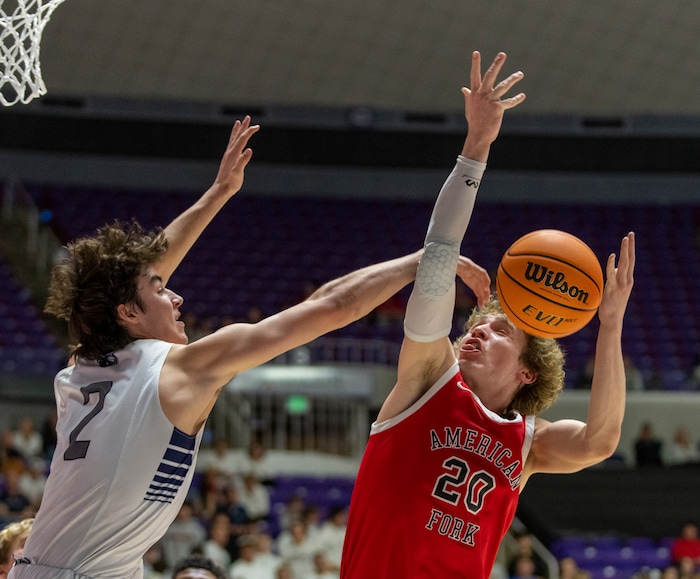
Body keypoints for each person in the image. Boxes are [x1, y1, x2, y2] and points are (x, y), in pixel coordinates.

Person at [10, 116, 488, 579]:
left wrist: (218, 194)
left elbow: (133, 279)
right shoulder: (184, 369)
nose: (175, 295)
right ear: (128, 314)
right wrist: (421, 261)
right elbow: (333, 304)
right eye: (161, 290)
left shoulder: (84, 364)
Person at [339, 51, 636, 579]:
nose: (477, 330)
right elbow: (439, 250)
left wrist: (610, 325)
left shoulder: (529, 443)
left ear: (528, 371)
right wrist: (476, 146)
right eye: (476, 324)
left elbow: (601, 441)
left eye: (499, 330)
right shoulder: (428, 381)